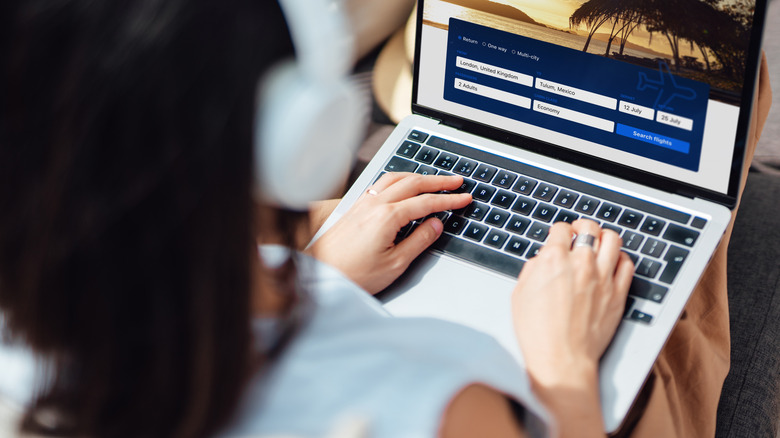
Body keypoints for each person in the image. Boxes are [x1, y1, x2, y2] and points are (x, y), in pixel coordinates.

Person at [0, 1, 772, 438]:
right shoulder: (432, 407)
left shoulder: (31, 361)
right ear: (294, 139)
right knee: (740, 99)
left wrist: (314, 275)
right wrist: (564, 369)